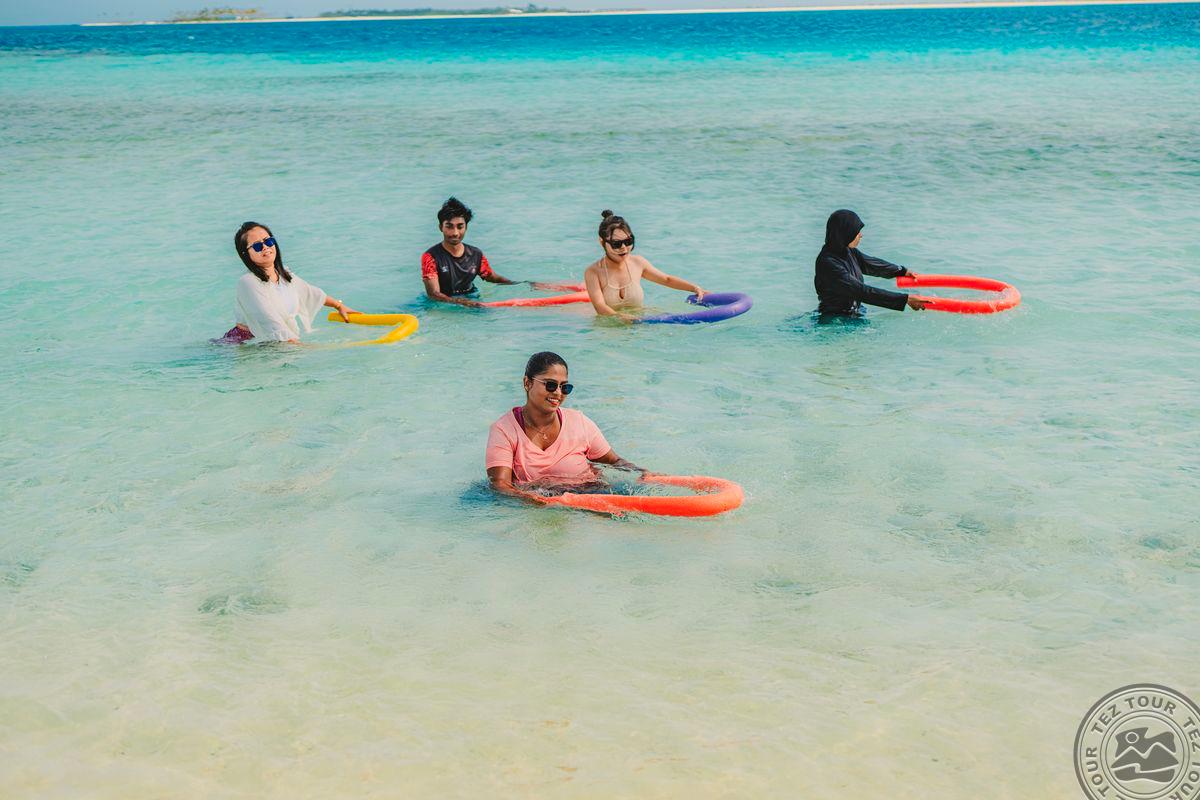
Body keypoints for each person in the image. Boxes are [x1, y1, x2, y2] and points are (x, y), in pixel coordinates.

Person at [486, 352, 643, 501]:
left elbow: (615, 461)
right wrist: (539, 502)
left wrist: (644, 473)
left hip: (593, 495)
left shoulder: (579, 423)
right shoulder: (504, 430)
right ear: (527, 383)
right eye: (550, 385)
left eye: (565, 387)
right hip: (539, 504)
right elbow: (500, 486)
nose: (558, 393)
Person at [220, 221, 359, 344]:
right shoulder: (248, 282)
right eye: (257, 246)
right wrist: (302, 347)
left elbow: (310, 292)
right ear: (245, 254)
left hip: (274, 343)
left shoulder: (283, 274)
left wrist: (338, 306)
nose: (265, 247)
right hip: (245, 346)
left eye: (268, 241)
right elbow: (269, 321)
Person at [583, 210, 707, 322]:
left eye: (628, 241)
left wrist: (694, 288)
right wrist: (623, 318)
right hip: (608, 330)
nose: (624, 248)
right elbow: (600, 306)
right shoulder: (593, 272)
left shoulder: (638, 263)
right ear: (602, 242)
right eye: (616, 244)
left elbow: (666, 279)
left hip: (638, 325)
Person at [814, 209, 928, 317]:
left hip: (854, 314)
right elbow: (861, 291)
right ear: (846, 233)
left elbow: (873, 264)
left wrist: (901, 271)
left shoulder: (848, 251)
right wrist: (906, 299)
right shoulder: (828, 263)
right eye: (857, 232)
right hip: (834, 320)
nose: (860, 235)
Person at [421, 196, 523, 308]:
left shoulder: (476, 254)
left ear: (466, 227)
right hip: (443, 305)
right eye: (449, 226)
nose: (455, 233)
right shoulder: (430, 257)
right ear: (441, 227)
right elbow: (433, 294)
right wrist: (462, 302)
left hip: (472, 299)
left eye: (460, 227)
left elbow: (493, 278)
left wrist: (523, 284)